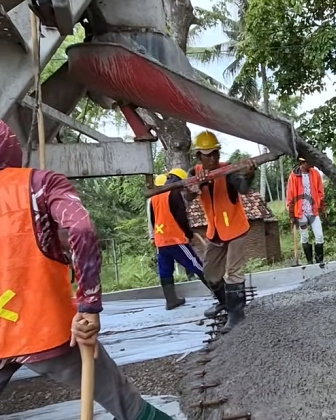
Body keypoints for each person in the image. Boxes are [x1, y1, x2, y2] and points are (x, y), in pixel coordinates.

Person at [0, 121, 173, 419]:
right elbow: (80, 227)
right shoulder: (41, 184)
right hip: (45, 326)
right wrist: (89, 305)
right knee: (128, 406)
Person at [185, 130, 257, 333]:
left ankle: (237, 315)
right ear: (199, 156)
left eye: (215, 153)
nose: (213, 158)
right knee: (210, 273)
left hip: (235, 228)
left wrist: (250, 175)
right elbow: (189, 197)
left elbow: (242, 189)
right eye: (208, 154)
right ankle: (225, 302)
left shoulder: (229, 171)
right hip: (215, 230)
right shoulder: (194, 172)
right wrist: (194, 187)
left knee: (233, 272)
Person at [150, 167, 209, 310]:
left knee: (165, 270)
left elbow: (153, 220)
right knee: (196, 264)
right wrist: (188, 234)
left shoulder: (155, 196)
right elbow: (181, 217)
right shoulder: (174, 193)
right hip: (175, 239)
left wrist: (156, 236)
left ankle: (171, 300)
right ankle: (220, 293)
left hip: (161, 241)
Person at [286, 157, 326, 267]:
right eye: (309, 162)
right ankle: (310, 262)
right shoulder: (293, 176)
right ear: (302, 163)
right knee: (305, 237)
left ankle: (319, 261)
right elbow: (290, 197)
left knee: (319, 236)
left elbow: (320, 192)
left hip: (313, 211)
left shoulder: (315, 173)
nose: (312, 165)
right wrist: (292, 215)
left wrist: (322, 207)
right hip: (301, 212)